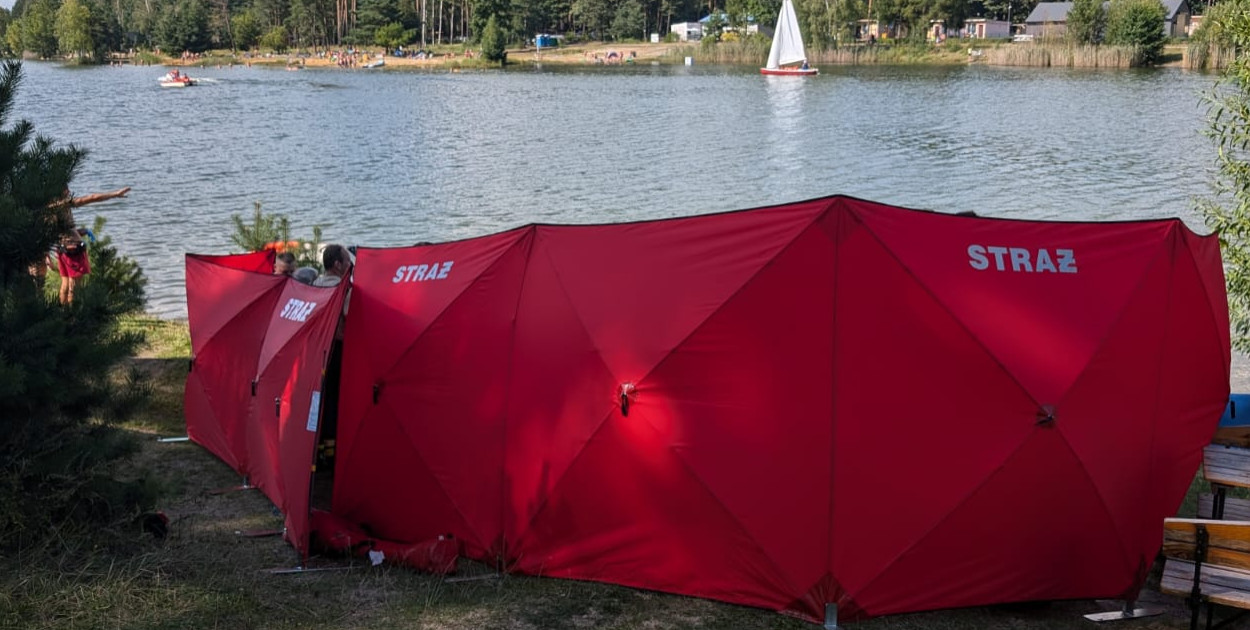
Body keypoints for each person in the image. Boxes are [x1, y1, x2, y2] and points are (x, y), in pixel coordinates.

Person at [33, 186, 130, 301]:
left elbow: (57, 233)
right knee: (74, 287)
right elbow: (91, 198)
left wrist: (79, 232)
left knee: (65, 284)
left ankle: (64, 313)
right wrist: (115, 194)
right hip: (74, 250)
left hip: (62, 250)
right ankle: (73, 315)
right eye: (65, 189)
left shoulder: (48, 210)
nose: (69, 192)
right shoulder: (62, 205)